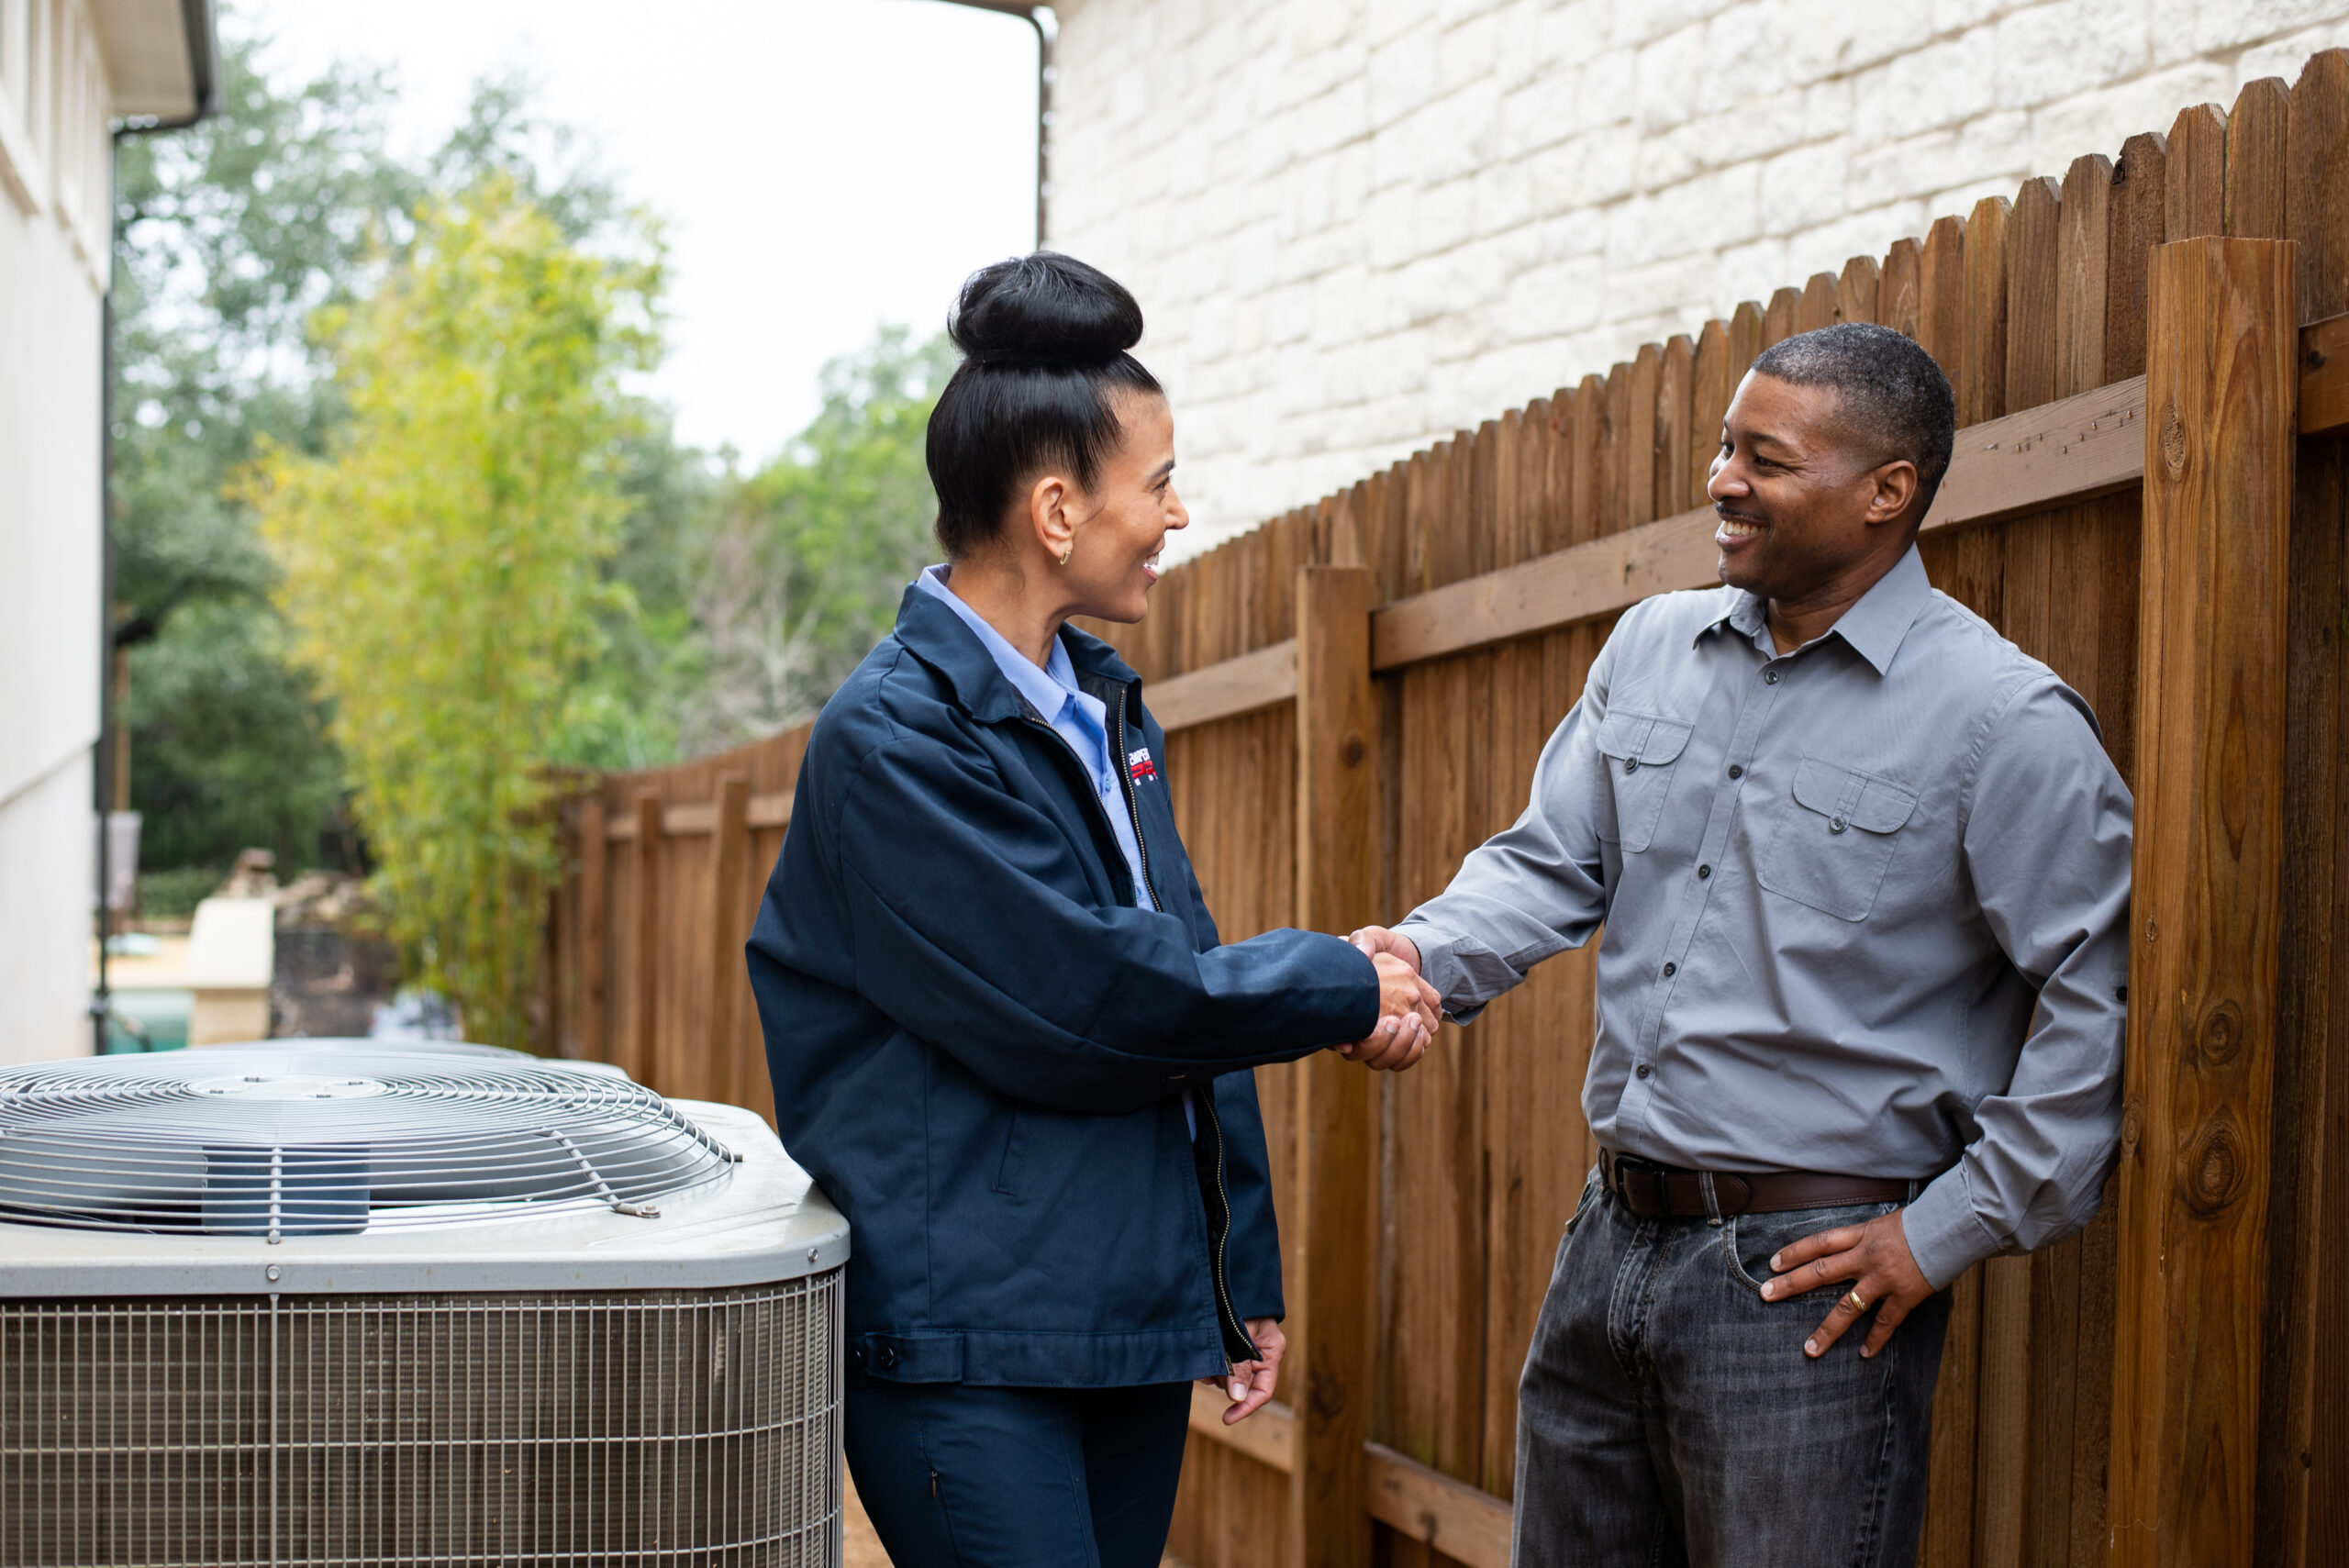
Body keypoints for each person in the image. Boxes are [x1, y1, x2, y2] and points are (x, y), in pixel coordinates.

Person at [1351, 323, 2132, 1568]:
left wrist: (1945, 1231)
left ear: (1886, 492)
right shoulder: (1651, 647)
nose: (1723, 481)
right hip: (1608, 1242)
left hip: (1807, 1288)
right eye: (1726, 447)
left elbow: (2104, 994)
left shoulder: (2003, 720)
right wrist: (1406, 964)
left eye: (1766, 460)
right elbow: (1550, 863)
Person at [746, 252, 1437, 1568]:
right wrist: (1341, 984)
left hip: (1118, 1318)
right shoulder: (893, 742)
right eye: (1159, 482)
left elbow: (1181, 989)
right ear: (1058, 511)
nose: (1177, 513)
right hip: (967, 1342)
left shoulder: (1102, 709)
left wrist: (1237, 1274)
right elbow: (1088, 1000)